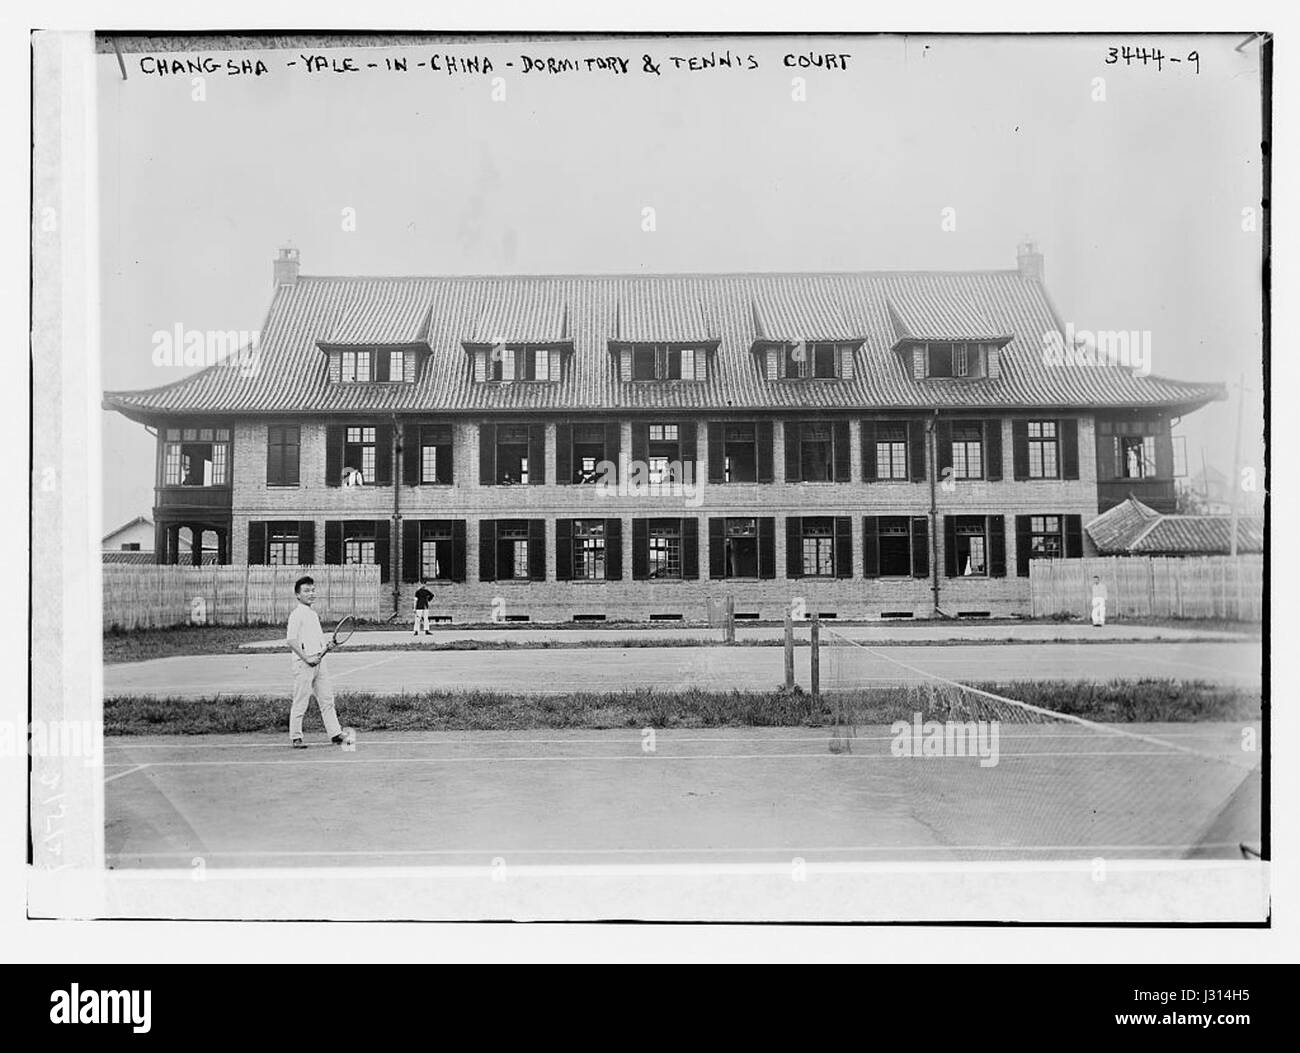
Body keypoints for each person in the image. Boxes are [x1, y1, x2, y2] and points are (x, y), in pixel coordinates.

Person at [285, 575, 354, 749]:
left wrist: (327, 646)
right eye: (306, 591)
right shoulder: (296, 614)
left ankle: (335, 733)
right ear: (298, 595)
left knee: (327, 699)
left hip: (319, 662)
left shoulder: (313, 614)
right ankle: (296, 737)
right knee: (301, 700)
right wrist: (307, 658)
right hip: (304, 664)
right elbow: (291, 640)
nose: (311, 593)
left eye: (313, 590)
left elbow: (315, 639)